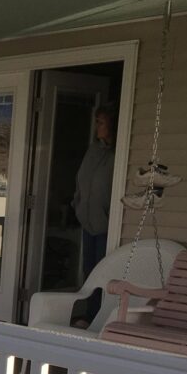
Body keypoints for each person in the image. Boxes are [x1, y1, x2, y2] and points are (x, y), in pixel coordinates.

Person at [71, 102, 117, 319]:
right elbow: (82, 180)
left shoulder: (117, 155)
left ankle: (96, 318)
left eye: (101, 122)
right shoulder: (93, 150)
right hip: (88, 223)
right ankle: (88, 315)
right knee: (89, 272)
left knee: (103, 274)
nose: (97, 126)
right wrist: (77, 203)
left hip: (106, 226)